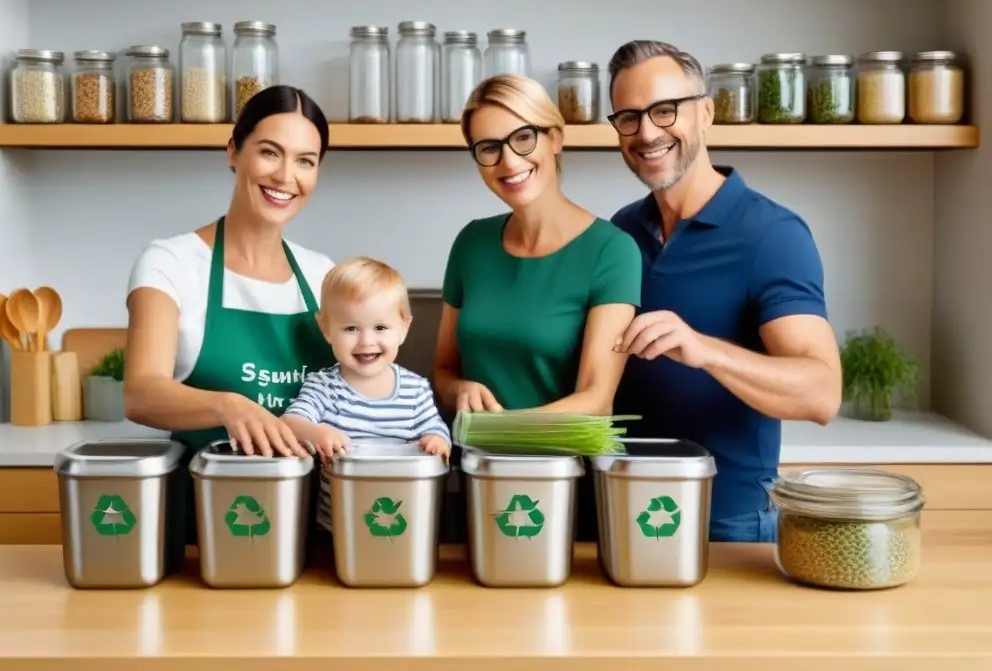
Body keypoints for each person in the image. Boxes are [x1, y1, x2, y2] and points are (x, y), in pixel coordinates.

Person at [605, 40, 843, 544]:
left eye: (665, 110)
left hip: (726, 525)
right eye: (628, 117)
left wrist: (705, 349)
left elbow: (821, 394)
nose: (647, 132)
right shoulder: (621, 230)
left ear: (707, 112)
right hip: (619, 510)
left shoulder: (771, 234)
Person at [123, 85, 337, 553]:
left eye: (306, 160)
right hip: (207, 534)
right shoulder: (172, 263)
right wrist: (229, 405)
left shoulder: (323, 274)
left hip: (311, 533)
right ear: (233, 152)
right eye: (269, 152)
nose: (286, 175)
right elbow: (140, 392)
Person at [433, 74, 643, 537]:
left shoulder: (612, 251)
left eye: (523, 137)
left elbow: (596, 399)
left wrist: (495, 431)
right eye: (488, 148)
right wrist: (460, 390)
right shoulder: (471, 243)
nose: (508, 161)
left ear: (556, 140)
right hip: (478, 481)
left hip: (564, 489)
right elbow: (444, 371)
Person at [280, 256, 452, 531]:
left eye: (381, 327)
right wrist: (317, 433)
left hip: (403, 519)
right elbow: (289, 424)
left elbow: (435, 429)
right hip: (338, 527)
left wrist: (437, 440)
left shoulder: (415, 389)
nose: (366, 341)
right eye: (350, 328)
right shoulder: (323, 387)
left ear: (404, 327)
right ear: (326, 329)